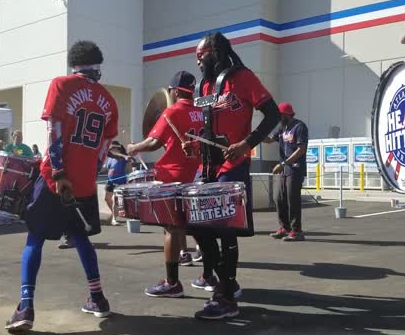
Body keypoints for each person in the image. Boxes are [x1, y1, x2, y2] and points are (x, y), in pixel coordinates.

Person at [5, 40, 118, 332]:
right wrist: (88, 174)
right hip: (83, 182)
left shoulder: (62, 85)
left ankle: (25, 307)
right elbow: (105, 148)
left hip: (56, 179)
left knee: (35, 238)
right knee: (81, 238)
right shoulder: (109, 99)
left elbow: (53, 129)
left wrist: (58, 171)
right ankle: (98, 298)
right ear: (97, 65)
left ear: (73, 63)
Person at [188, 32, 281, 320]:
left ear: (214, 52)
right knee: (198, 227)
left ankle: (226, 297)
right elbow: (204, 126)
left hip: (234, 166)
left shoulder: (243, 77)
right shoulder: (203, 85)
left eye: (201, 56)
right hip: (207, 167)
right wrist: (194, 144)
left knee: (226, 228)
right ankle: (226, 280)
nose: (198, 62)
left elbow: (273, 114)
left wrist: (246, 144)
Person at [126, 70, 204, 298]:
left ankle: (172, 283)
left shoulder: (174, 111)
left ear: (176, 91)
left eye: (170, 91)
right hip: (194, 174)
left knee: (170, 228)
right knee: (192, 226)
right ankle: (206, 273)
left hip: (172, 176)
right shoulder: (201, 113)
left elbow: (153, 142)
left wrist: (133, 148)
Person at [264, 103, 309, 242]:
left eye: (279, 115)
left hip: (296, 169)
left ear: (286, 114)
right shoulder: (283, 128)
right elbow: (269, 140)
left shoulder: (299, 127)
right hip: (285, 170)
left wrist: (283, 164)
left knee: (292, 200)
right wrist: (255, 135)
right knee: (279, 199)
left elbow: (301, 149)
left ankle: (297, 231)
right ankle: (285, 227)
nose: (278, 118)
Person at [105, 141, 129, 226]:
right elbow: (107, 168)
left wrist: (132, 148)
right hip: (110, 181)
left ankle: (114, 219)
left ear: (118, 149)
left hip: (119, 182)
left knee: (115, 200)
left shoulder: (122, 158)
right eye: (111, 149)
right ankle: (115, 213)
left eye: (113, 148)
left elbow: (130, 156)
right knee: (107, 199)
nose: (112, 150)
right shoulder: (110, 158)